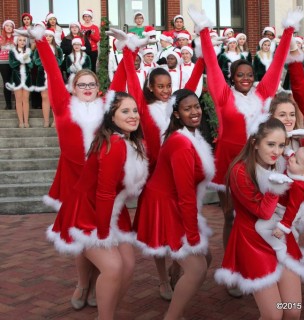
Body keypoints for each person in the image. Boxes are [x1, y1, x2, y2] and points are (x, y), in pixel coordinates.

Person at [188, 5, 303, 296]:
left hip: (261, 164)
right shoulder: (223, 95)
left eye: (249, 73)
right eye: (240, 73)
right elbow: (212, 66)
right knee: (232, 217)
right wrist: (203, 30)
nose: (246, 77)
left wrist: (288, 31)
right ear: (232, 76)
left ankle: (264, 263)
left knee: (262, 216)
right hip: (230, 164)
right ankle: (235, 269)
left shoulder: (263, 94)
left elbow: (277, 65)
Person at [19, 22, 130, 311]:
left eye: (92, 84)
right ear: (73, 88)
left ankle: (95, 284)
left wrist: (128, 50)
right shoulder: (63, 105)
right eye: (82, 84)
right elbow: (53, 75)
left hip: (101, 180)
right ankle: (84, 284)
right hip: (72, 179)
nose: (87, 88)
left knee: (100, 236)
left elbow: (120, 81)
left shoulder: (108, 104)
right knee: (83, 237)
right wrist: (42, 42)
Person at [108, 27, 205, 301]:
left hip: (180, 177)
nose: (164, 91)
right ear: (150, 87)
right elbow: (129, 80)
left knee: (180, 228)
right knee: (158, 233)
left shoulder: (176, 108)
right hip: (155, 180)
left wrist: (204, 57)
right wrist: (129, 52)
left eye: (168, 87)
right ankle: (162, 278)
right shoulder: (142, 107)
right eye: (159, 87)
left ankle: (176, 267)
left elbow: (192, 86)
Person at [46, 91, 148, 320]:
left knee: (128, 265)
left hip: (112, 210)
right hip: (87, 211)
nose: (133, 116)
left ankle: (106, 312)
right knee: (113, 267)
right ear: (111, 117)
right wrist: (103, 234)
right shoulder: (114, 144)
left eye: (134, 111)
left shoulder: (132, 142)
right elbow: (103, 193)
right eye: (125, 111)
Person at [215, 117, 304, 319]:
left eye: (281, 145)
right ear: (255, 143)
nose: (277, 151)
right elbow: (263, 211)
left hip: (278, 237)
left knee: (292, 311)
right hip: (252, 242)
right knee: (273, 314)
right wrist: (277, 187)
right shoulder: (239, 170)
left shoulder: (278, 165)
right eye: (271, 144)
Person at [135, 89, 213, 319]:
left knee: (205, 259)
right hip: (164, 204)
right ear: (176, 114)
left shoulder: (191, 136)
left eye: (197, 106)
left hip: (173, 200)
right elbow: (186, 194)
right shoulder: (181, 143)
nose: (195, 111)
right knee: (197, 268)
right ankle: (172, 315)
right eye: (187, 109)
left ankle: (175, 275)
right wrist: (192, 236)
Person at [254, 145, 304, 283]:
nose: (291, 159)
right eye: (294, 156)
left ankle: (280, 248)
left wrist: (283, 226)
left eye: (296, 160)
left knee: (260, 227)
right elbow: (294, 157)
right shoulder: (299, 171)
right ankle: (293, 237)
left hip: (283, 211)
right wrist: (288, 152)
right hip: (282, 207)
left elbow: (292, 208)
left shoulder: (298, 187)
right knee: (290, 232)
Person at [33, 27, 63, 127]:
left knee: (54, 98)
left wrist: (52, 60)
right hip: (42, 75)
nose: (48, 38)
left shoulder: (57, 48)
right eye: (46, 36)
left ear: (53, 37)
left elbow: (60, 61)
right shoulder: (39, 48)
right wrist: (45, 61)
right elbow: (36, 61)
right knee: (45, 97)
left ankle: (55, 121)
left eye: (50, 36)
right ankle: (46, 121)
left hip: (54, 75)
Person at [7, 34, 33, 127]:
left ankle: (26, 121)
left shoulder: (29, 51)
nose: (22, 42)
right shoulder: (12, 52)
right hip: (16, 77)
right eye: (20, 40)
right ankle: (20, 122)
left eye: (23, 40)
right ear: (16, 42)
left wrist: (27, 60)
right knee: (18, 100)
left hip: (27, 78)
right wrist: (21, 60)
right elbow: (12, 65)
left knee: (25, 100)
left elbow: (31, 65)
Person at [0, 20, 15, 109]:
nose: (9, 27)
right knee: (6, 82)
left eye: (10, 26)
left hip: (13, 62)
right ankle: (8, 104)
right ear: (4, 28)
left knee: (16, 82)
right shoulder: (0, 38)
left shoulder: (16, 38)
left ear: (13, 28)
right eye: (7, 26)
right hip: (3, 63)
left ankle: (18, 104)